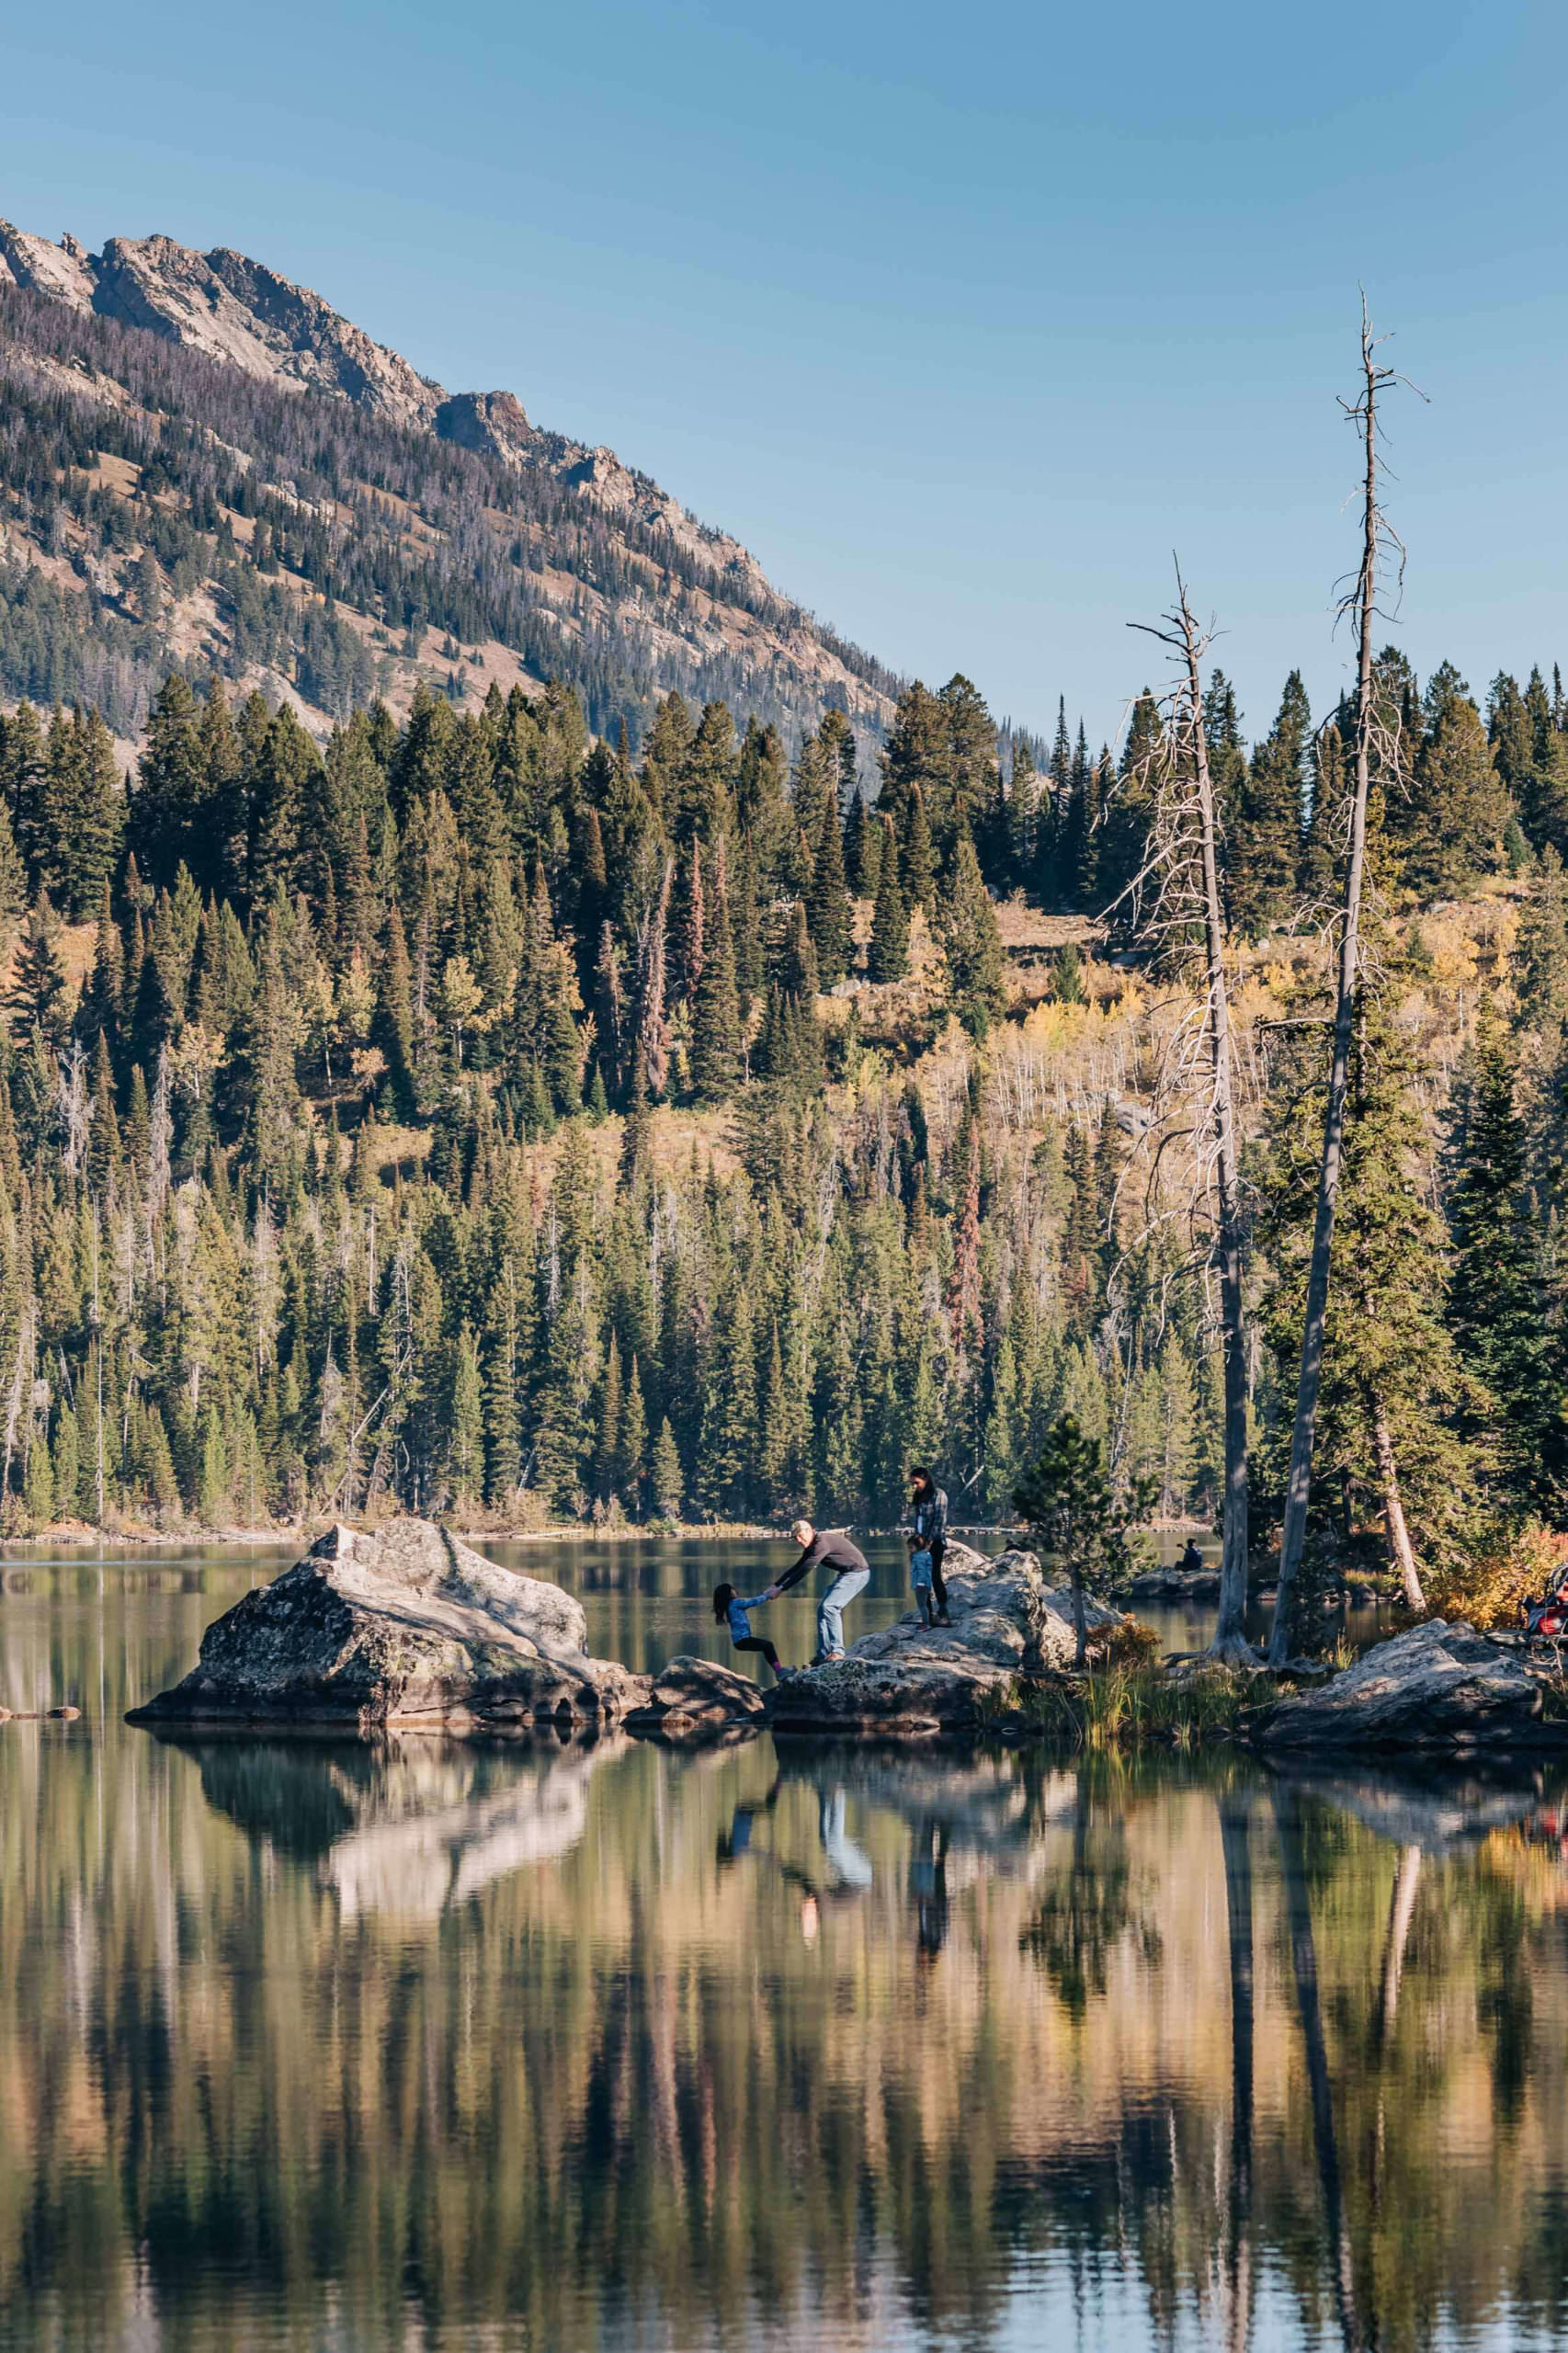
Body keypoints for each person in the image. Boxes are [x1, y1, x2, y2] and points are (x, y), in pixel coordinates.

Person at [763, 1519, 870, 1664]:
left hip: (858, 1574)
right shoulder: (812, 1546)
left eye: (800, 1536)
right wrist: (775, 1584)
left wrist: (781, 1589)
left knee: (830, 1607)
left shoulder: (821, 1543)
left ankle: (837, 1651)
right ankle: (823, 1654)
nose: (799, 1541)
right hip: (846, 1574)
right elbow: (798, 1566)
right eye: (795, 1538)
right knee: (822, 1609)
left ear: (809, 1530)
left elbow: (805, 1570)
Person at [712, 1581, 787, 1680]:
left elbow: (752, 1601)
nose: (735, 1590)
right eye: (732, 1589)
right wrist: (768, 1595)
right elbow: (753, 1602)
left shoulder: (731, 1605)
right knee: (768, 1646)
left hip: (741, 1641)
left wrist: (766, 1594)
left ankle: (779, 1671)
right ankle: (779, 1672)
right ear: (729, 1593)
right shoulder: (735, 1603)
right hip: (743, 1640)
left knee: (767, 1646)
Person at [910, 1466, 951, 1627]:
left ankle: (943, 1611)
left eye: (916, 1482)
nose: (914, 1486)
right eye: (912, 1483)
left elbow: (939, 1520)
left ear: (925, 1479)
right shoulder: (920, 1497)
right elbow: (919, 1521)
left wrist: (929, 1542)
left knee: (935, 1576)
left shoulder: (939, 1495)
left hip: (935, 1542)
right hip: (919, 1543)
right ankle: (927, 1614)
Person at [909, 1540, 937, 1628]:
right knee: (923, 1605)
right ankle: (926, 1622)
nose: (910, 1549)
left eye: (911, 1547)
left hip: (921, 1585)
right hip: (926, 1584)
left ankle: (926, 1624)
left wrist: (920, 1583)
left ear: (918, 1547)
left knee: (922, 1605)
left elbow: (922, 1571)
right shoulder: (924, 1555)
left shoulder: (919, 1557)